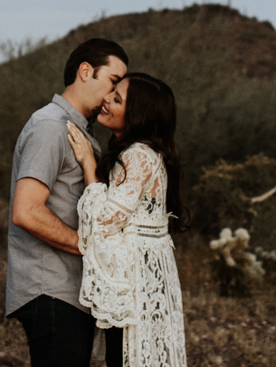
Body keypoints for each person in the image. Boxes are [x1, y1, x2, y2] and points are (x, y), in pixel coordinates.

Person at [7, 38, 129, 367]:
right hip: (51, 290)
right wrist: (89, 246)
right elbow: (26, 211)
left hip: (68, 292)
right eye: (113, 82)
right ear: (85, 71)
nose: (112, 96)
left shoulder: (78, 131)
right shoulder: (50, 127)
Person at [65, 73, 189, 367]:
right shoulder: (144, 153)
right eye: (112, 92)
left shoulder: (139, 156)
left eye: (117, 99)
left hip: (135, 280)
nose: (106, 99)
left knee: (126, 358)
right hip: (144, 274)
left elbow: (105, 222)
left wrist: (89, 167)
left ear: (137, 117)